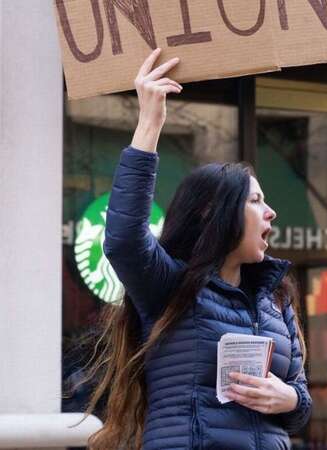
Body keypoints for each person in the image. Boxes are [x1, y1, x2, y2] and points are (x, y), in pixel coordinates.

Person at [83, 49, 311, 450]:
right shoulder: (170, 285)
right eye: (256, 200)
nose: (271, 213)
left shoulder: (277, 300)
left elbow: (300, 403)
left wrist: (289, 398)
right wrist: (150, 122)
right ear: (211, 213)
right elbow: (122, 239)